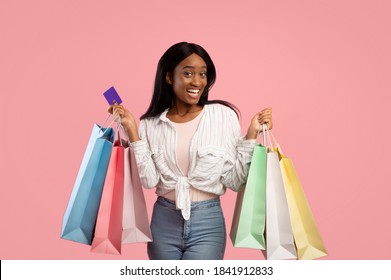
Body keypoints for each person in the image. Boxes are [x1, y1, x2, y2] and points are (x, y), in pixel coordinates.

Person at [110, 42, 273, 260]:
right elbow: (148, 180)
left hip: (208, 223)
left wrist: (251, 135)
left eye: (203, 74)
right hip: (163, 222)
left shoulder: (223, 116)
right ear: (169, 77)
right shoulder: (150, 123)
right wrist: (132, 130)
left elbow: (235, 181)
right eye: (188, 73)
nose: (197, 82)